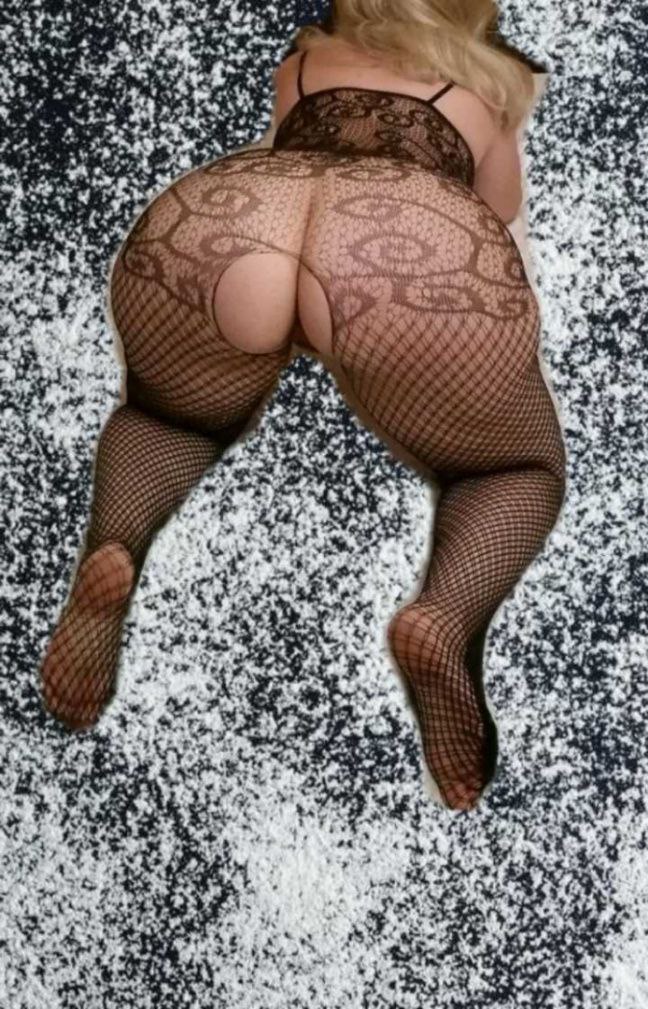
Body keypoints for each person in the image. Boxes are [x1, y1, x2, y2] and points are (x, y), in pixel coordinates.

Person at [39, 0, 566, 812]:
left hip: (234, 216)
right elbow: (497, 212)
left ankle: (114, 545)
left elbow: (298, 147)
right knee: (514, 470)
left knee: (166, 417)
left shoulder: (304, 63)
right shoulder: (495, 85)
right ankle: (442, 616)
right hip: (395, 253)